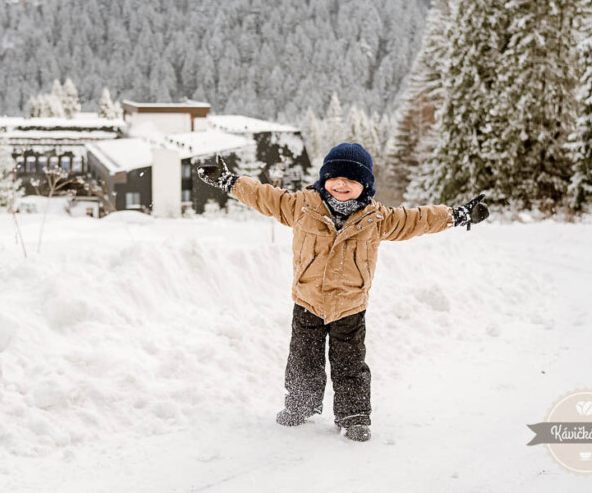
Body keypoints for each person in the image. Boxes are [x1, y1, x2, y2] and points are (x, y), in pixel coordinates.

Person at [197, 142, 488, 442]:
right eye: (335, 177)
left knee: (350, 364)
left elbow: (418, 219)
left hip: (350, 306)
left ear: (365, 186)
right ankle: (301, 404)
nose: (341, 184)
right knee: (302, 358)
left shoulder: (378, 219)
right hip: (307, 301)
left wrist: (459, 215)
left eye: (351, 180)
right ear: (324, 179)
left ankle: (354, 416)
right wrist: (229, 181)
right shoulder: (302, 206)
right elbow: (264, 196)